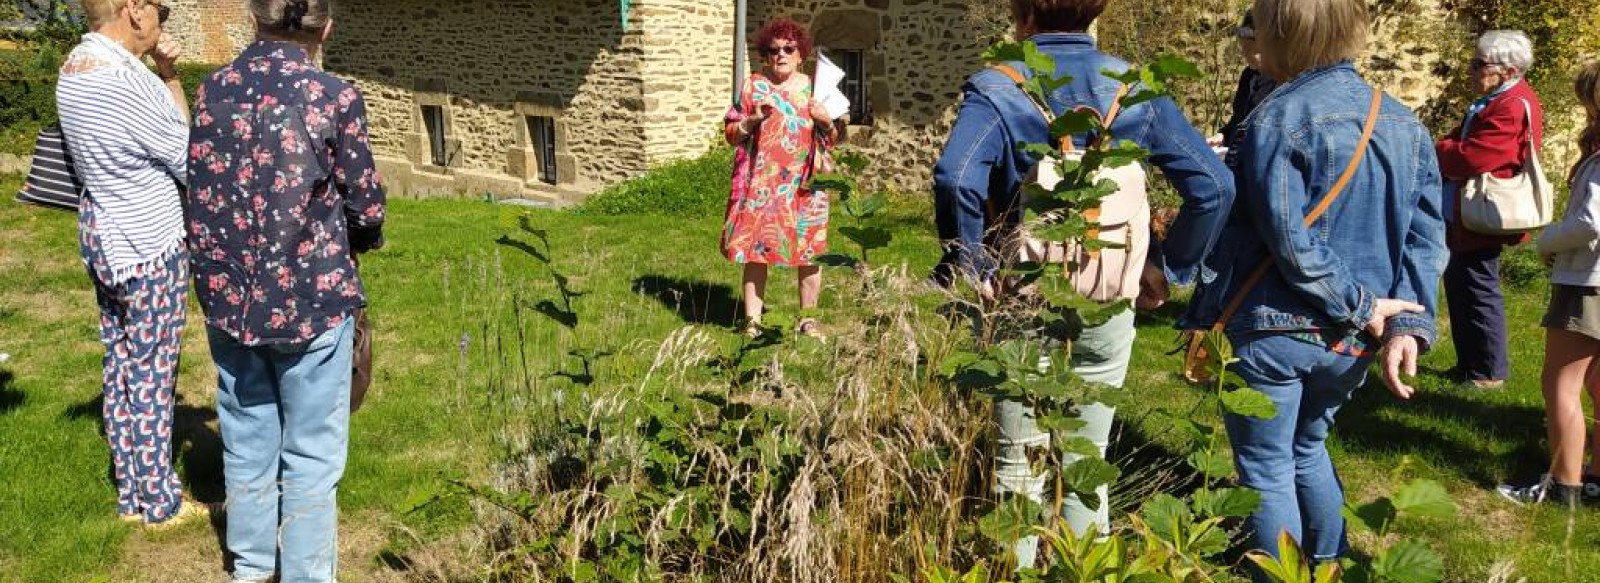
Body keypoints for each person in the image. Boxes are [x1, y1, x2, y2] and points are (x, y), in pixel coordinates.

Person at [931, 0, 1234, 566]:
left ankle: (1017, 572)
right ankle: (1085, 573)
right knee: (1087, 456)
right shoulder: (1132, 87)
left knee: (1018, 463)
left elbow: (955, 179)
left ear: (1022, 15)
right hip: (1108, 298)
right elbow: (1214, 187)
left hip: (1021, 298)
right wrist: (1166, 267)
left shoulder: (1000, 85)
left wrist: (972, 267)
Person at [1180, 0, 1445, 574]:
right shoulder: (1406, 123)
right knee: (1307, 449)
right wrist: (1406, 323)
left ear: (1282, 34)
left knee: (1267, 467)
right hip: (1352, 341)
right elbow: (1426, 239)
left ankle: (1283, 575)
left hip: (1278, 323)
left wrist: (1363, 305)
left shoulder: (1277, 116)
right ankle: (1328, 564)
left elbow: (1290, 238)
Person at [185, 0, 386, 580]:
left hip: (229, 298)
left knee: (246, 443)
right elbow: (366, 206)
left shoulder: (212, 91)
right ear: (326, 26)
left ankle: (249, 570)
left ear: (254, 18)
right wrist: (359, 239)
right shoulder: (332, 95)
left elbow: (196, 187)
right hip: (311, 303)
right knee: (311, 458)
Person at [55, 0, 204, 528]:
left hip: (102, 232)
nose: (163, 20)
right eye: (161, 8)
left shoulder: (74, 67)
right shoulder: (125, 80)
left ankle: (130, 493)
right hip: (148, 240)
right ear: (133, 10)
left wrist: (164, 70)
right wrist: (167, 79)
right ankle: (160, 502)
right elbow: (188, 156)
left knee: (120, 364)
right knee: (153, 372)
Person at [1498, 62, 1600, 507]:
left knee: (1560, 384)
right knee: (1598, 384)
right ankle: (1594, 475)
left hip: (1588, 282)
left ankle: (1564, 485)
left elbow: (1590, 223)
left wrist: (1546, 241)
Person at [1436, 30, 1545, 390]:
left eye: (1479, 64)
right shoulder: (1496, 99)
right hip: (1470, 211)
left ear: (1507, 70)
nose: (1471, 70)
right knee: (1461, 285)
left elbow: (1477, 156)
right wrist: (1451, 146)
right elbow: (1464, 145)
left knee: (1479, 289)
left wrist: (1437, 151)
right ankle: (1469, 364)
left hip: (1485, 214)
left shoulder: (1512, 105)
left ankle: (1488, 373)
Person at [721, 18, 838, 340]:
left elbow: (833, 139)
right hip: (761, 184)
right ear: (765, 54)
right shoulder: (751, 86)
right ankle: (752, 322)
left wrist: (826, 122)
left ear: (802, 53)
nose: (781, 55)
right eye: (774, 50)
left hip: (807, 185)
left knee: (810, 253)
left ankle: (808, 320)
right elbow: (731, 134)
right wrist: (753, 120)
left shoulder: (817, 88)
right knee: (756, 252)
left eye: (789, 48)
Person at [1214, 10, 1278, 164]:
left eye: (1249, 49)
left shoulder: (1284, 83)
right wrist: (1223, 136)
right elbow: (1239, 119)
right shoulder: (1248, 75)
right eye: (1243, 48)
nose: (1244, 54)